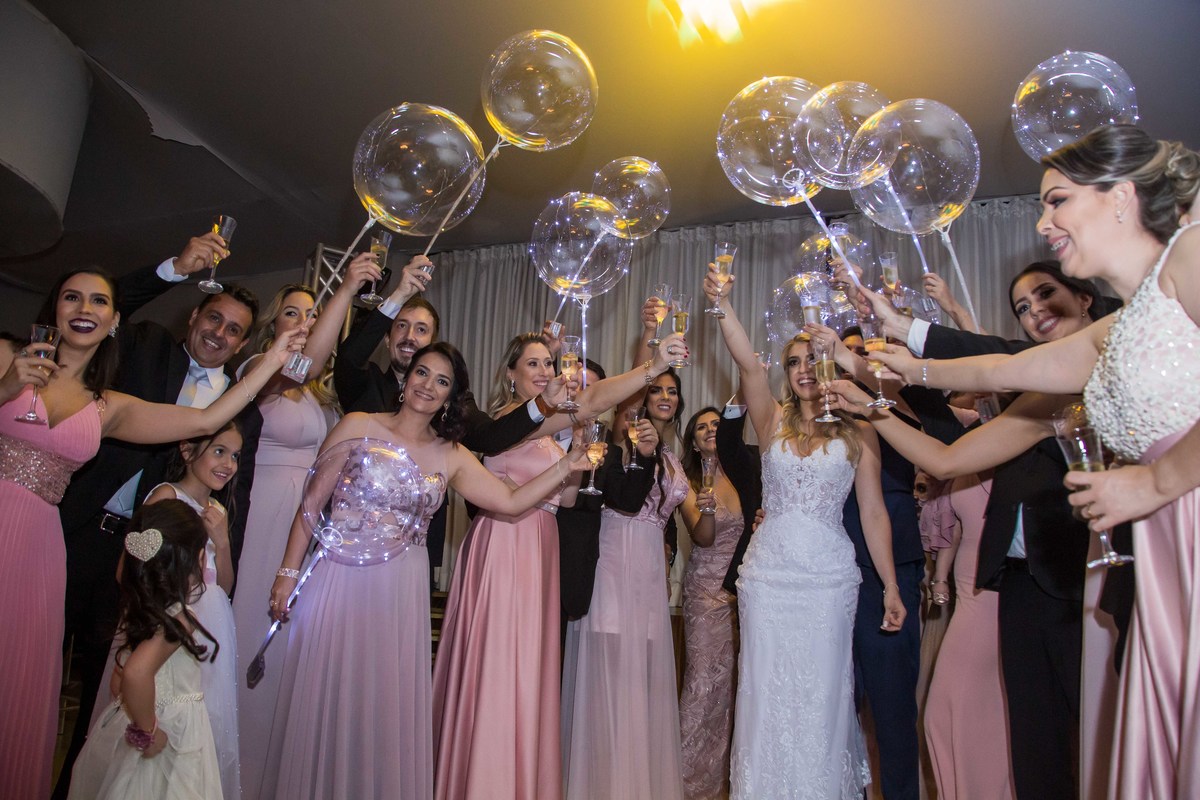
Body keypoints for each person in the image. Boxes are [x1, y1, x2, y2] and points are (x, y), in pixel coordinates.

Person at [867, 124, 1200, 799]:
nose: (1044, 222)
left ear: (1119, 197)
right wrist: (913, 365)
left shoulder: (1193, 253)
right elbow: (1010, 366)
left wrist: (1159, 478)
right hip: (1164, 538)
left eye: (1057, 200)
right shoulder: (1126, 320)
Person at [259, 341, 659, 800]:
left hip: (402, 588)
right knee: (328, 693)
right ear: (407, 377)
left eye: (442, 381)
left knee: (382, 703)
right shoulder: (357, 424)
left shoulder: (450, 453)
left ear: (451, 397)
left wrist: (568, 465)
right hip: (339, 578)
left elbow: (509, 502)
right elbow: (312, 504)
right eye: (423, 374)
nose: (428, 386)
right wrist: (288, 574)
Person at [0, 266, 301, 799]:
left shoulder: (109, 407)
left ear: (113, 321)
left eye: (98, 302)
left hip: (44, 547)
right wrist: (7, 386)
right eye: (72, 297)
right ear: (54, 309)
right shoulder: (7, 359)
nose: (84, 309)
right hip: (59, 530)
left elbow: (203, 419)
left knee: (28, 681)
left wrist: (275, 359)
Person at [838, 256, 1117, 800]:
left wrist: (906, 335)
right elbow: (946, 461)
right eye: (1022, 307)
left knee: (1103, 734)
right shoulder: (1043, 404)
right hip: (1015, 585)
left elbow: (997, 364)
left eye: (1044, 295)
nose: (1034, 312)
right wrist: (873, 411)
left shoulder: (1123, 339)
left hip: (1093, 579)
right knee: (1035, 742)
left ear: (1085, 298)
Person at [53, 231, 267, 797]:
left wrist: (223, 568)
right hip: (77, 533)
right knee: (33, 669)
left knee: (107, 694)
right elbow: (94, 304)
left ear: (243, 344)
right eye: (213, 319)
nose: (219, 334)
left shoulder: (235, 412)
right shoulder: (146, 346)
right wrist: (173, 265)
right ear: (195, 314)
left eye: (234, 331)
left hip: (147, 569)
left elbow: (230, 503)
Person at [434, 333, 684, 800]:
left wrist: (574, 462)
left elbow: (567, 496)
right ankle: (486, 779)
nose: (545, 371)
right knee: (497, 666)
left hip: (542, 545)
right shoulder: (505, 421)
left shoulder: (551, 434)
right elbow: (588, 402)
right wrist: (651, 366)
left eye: (549, 363)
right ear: (510, 375)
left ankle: (522, 778)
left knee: (532, 671)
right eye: (533, 364)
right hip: (505, 543)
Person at [702, 264, 905, 799]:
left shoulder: (860, 429)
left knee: (823, 698)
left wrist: (889, 584)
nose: (801, 369)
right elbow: (746, 362)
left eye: (809, 357)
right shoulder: (770, 420)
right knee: (766, 695)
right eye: (791, 363)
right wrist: (723, 304)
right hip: (768, 579)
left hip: (830, 582)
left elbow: (874, 513)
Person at [233, 255, 381, 800]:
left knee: (295, 642)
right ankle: (240, 770)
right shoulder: (258, 376)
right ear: (274, 325)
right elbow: (302, 363)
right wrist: (345, 288)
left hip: (308, 521)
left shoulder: (318, 398)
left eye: (311, 317)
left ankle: (278, 775)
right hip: (264, 512)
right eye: (292, 315)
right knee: (254, 628)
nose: (302, 324)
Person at [560, 367, 694, 800]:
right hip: (616, 559)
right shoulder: (610, 453)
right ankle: (598, 783)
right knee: (608, 666)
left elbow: (670, 515)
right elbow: (626, 498)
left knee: (641, 680)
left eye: (672, 391)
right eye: (656, 389)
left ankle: (635, 783)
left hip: (650, 571)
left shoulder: (670, 456)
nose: (664, 396)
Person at [67, 500, 224, 800]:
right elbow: (136, 674)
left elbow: (119, 680)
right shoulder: (177, 620)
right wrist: (148, 731)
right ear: (199, 559)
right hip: (169, 729)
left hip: (136, 717)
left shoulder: (141, 610)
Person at [677, 407, 742, 800]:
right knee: (703, 687)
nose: (709, 431)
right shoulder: (687, 481)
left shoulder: (746, 473)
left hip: (746, 592)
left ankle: (727, 782)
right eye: (701, 427)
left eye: (716, 424)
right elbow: (702, 538)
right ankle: (686, 780)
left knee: (738, 689)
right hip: (705, 594)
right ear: (693, 439)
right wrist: (707, 510)